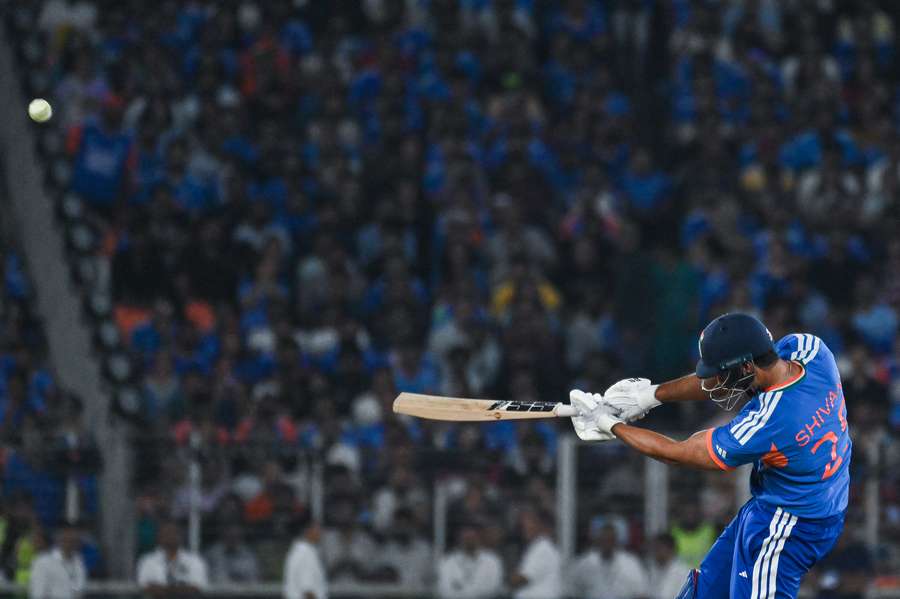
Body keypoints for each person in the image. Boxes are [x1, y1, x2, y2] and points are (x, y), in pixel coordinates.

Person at [570, 312, 851, 599]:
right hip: (788, 504)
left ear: (746, 366)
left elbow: (676, 453)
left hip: (790, 526)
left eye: (723, 373)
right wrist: (650, 396)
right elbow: (721, 381)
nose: (717, 381)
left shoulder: (769, 422)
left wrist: (610, 424)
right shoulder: (811, 351)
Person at [569, 521, 646, 599]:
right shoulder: (585, 563)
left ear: (616, 541)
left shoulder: (631, 565)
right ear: (598, 541)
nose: (607, 544)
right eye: (604, 540)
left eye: (610, 540)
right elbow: (572, 592)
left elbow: (641, 593)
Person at [136, 520, 208, 597]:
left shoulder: (194, 561)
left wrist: (164, 589)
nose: (170, 536)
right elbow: (146, 587)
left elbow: (196, 588)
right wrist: (180, 589)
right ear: (159, 536)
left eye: (174, 533)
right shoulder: (147, 561)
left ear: (181, 536)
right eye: (166, 533)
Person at [436, 521, 504, 599]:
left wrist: (463, 590)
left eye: (472, 537)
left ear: (479, 537)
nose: (469, 540)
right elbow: (444, 590)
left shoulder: (492, 561)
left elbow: (493, 588)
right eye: (466, 537)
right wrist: (472, 591)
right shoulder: (448, 561)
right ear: (459, 538)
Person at [508, 507, 562, 599]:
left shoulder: (543, 548)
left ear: (540, 525)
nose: (524, 528)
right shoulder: (537, 546)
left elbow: (521, 579)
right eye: (523, 524)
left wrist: (509, 579)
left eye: (529, 523)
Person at [28, 521, 86, 599]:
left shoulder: (79, 561)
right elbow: (38, 594)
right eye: (67, 534)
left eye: (74, 535)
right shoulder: (43, 562)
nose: (71, 537)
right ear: (59, 537)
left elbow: (79, 590)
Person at [283, 512, 327, 599]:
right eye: (317, 528)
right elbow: (308, 591)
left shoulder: (298, 550)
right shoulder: (306, 553)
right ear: (308, 530)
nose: (321, 532)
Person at [646, 533, 691, 599]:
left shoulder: (683, 572)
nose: (656, 552)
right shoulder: (652, 570)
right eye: (655, 548)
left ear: (670, 549)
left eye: (659, 548)